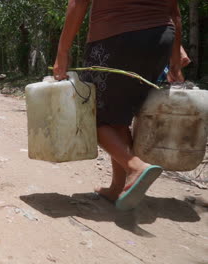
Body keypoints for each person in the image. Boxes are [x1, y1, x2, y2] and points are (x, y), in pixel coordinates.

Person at [53, 0, 184, 210]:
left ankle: (135, 167)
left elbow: (78, 3)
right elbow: (174, 12)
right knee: (119, 115)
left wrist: (62, 52)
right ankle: (116, 188)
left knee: (88, 115)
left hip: (116, 38)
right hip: (160, 39)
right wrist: (175, 60)